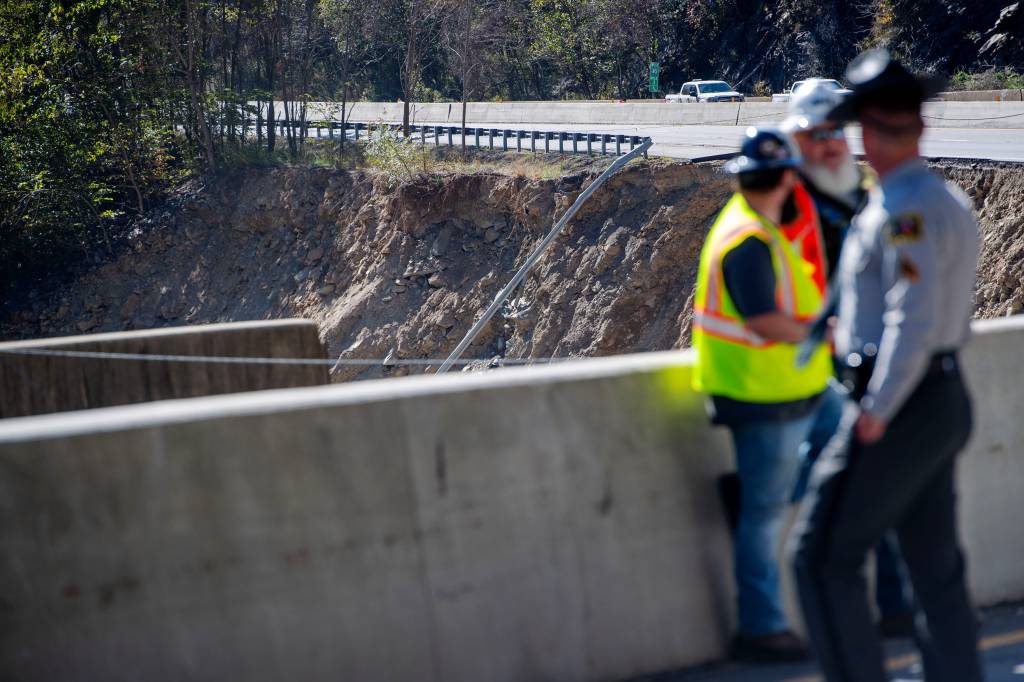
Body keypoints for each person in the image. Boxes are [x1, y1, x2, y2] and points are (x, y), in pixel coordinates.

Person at [790, 49, 984, 682]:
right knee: (935, 572)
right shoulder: (936, 197)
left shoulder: (905, 209)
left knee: (819, 559)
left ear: (863, 134)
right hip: (933, 396)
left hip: (899, 401)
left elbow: (913, 318)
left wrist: (875, 409)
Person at [692, 127, 834, 663]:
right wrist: (823, 333)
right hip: (762, 394)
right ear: (789, 179)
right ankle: (761, 628)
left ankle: (750, 491)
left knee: (847, 451)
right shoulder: (749, 240)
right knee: (764, 518)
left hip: (796, 388)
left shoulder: (757, 229)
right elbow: (766, 321)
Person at [782, 80, 916, 637]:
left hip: (866, 365)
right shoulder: (782, 200)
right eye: (817, 133)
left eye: (837, 130)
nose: (830, 143)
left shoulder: (868, 191)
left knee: (877, 493)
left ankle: (892, 607)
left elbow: (907, 263)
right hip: (805, 370)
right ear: (796, 137)